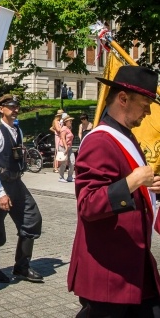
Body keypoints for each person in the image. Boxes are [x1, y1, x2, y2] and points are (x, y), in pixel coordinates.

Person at [67, 65, 160, 317]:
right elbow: (88, 204)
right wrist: (132, 182)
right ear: (123, 98)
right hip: (109, 270)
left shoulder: (126, 137)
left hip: (131, 264)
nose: (149, 111)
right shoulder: (100, 141)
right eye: (145, 103)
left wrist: (147, 186)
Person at [0, 94, 43, 284]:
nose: (15, 109)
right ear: (1, 108)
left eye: (17, 105)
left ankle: (22, 266)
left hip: (16, 182)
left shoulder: (18, 130)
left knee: (32, 218)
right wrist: (0, 193)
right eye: (10, 106)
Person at [58, 115, 75, 183]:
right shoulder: (64, 129)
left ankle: (70, 176)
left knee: (72, 161)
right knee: (63, 162)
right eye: (70, 121)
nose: (71, 122)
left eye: (71, 121)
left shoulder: (69, 128)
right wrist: (66, 147)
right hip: (63, 147)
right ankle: (61, 177)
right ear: (66, 122)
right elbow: (63, 138)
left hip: (69, 147)